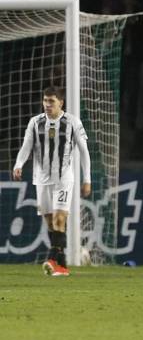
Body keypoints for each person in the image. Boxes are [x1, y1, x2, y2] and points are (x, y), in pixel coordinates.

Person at [12, 87, 91, 277]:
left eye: (51, 101)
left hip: (64, 179)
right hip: (41, 179)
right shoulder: (35, 122)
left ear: (60, 103)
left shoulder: (73, 122)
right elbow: (26, 146)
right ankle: (61, 265)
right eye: (45, 101)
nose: (47, 105)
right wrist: (18, 164)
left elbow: (84, 152)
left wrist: (87, 178)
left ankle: (51, 257)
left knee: (59, 219)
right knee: (50, 223)